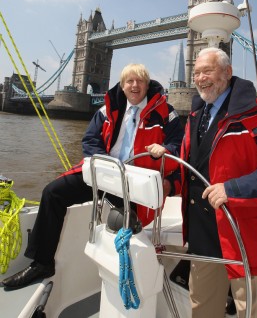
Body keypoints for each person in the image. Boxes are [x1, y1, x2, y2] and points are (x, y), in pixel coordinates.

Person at [1, 63, 184, 289]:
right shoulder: (108, 108)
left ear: (147, 85)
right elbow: (90, 139)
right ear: (123, 85)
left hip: (137, 182)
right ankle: (42, 262)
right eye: (130, 81)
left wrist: (166, 149)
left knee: (129, 225)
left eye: (140, 81)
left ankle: (132, 276)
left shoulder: (167, 112)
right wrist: (104, 162)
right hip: (106, 173)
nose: (135, 86)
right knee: (53, 192)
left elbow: (179, 146)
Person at [180, 47, 257, 318]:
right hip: (202, 236)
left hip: (245, 236)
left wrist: (233, 189)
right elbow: (195, 165)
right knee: (202, 308)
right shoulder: (196, 114)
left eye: (207, 71)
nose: (200, 78)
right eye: (196, 73)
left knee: (254, 312)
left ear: (227, 72)